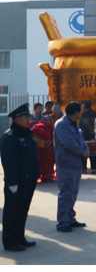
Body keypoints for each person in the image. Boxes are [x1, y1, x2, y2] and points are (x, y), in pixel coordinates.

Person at [1, 103, 39, 251]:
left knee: (22, 211)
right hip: (17, 182)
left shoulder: (26, 133)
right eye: (25, 117)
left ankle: (19, 237)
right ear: (16, 119)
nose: (28, 120)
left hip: (29, 179)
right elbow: (9, 161)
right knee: (12, 212)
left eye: (29, 117)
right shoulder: (10, 136)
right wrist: (12, 182)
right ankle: (10, 241)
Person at [54, 101, 89, 232]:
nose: (81, 113)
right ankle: (62, 222)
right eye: (80, 111)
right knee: (66, 193)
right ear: (75, 113)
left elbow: (81, 140)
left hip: (75, 163)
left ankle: (70, 218)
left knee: (73, 193)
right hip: (66, 164)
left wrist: (85, 149)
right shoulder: (62, 125)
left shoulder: (74, 124)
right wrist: (82, 152)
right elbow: (68, 143)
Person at [30, 103, 55, 183]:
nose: (40, 110)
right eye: (39, 108)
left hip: (44, 144)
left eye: (41, 108)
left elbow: (49, 130)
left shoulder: (45, 119)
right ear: (34, 109)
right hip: (33, 143)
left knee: (46, 160)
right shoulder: (30, 118)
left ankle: (47, 176)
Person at [79, 101, 96, 174]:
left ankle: (93, 168)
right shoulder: (83, 114)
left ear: (85, 105)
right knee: (84, 151)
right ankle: (85, 167)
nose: (81, 106)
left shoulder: (93, 114)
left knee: (92, 152)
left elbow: (94, 126)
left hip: (90, 136)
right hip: (84, 135)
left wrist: (93, 136)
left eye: (82, 105)